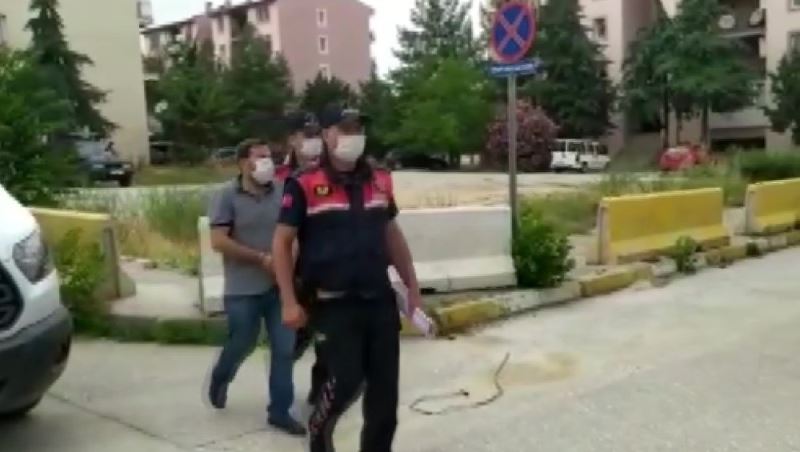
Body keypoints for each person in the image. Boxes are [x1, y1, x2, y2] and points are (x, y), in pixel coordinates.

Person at [272, 106, 423, 452]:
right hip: (332, 303)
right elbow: (281, 243)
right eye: (345, 129)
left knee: (385, 398)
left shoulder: (379, 179)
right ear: (327, 135)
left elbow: (392, 235)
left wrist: (412, 289)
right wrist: (288, 301)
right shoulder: (304, 183)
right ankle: (319, 428)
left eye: (358, 128)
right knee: (347, 380)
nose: (354, 136)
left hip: (379, 301)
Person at [205, 138, 306, 436]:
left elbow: (294, 232)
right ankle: (221, 376)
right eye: (259, 157)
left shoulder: (284, 191)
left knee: (284, 348)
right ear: (242, 163)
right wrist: (261, 259)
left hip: (279, 287)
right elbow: (218, 241)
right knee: (243, 342)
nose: (267, 162)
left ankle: (280, 411)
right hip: (243, 288)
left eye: (268, 156)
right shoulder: (226, 195)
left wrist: (288, 259)